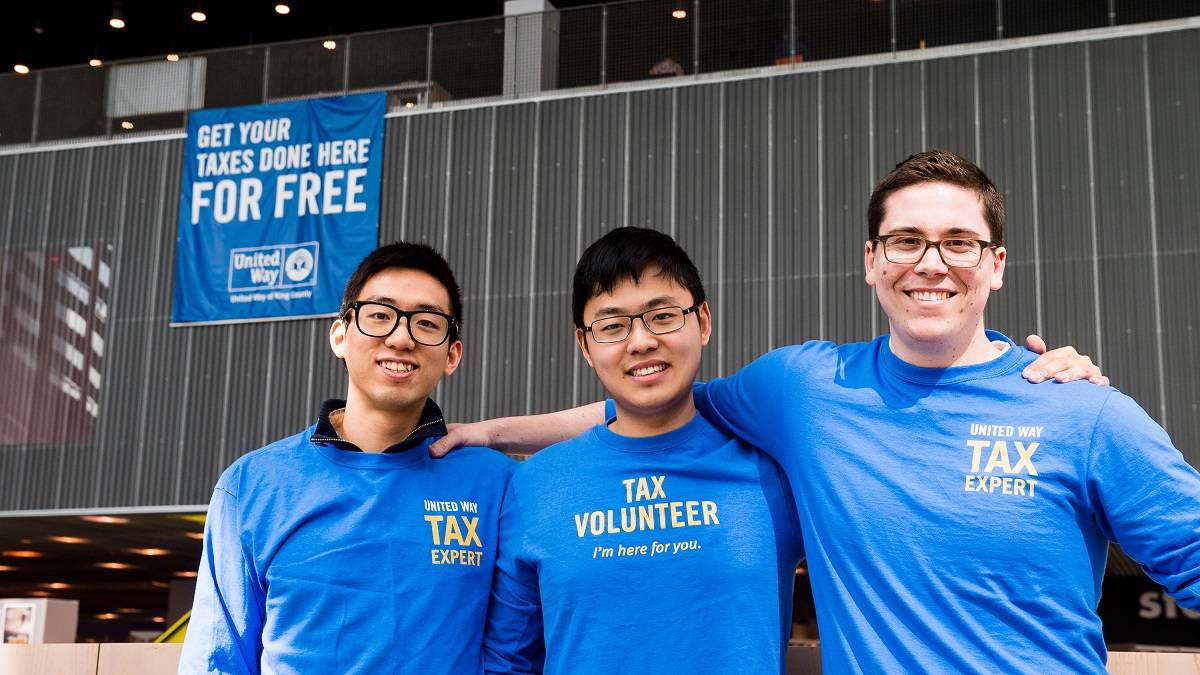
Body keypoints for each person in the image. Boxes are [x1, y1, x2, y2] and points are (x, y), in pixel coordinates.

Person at [430, 151, 1200, 672]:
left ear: (995, 265)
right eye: (905, 240)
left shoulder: (1080, 411)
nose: (931, 262)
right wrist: (492, 432)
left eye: (959, 242)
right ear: (871, 260)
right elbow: (653, 396)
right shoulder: (804, 390)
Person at [180, 242, 515, 674]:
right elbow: (218, 661)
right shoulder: (251, 485)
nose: (401, 337)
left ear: (452, 354)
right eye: (380, 315)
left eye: (427, 323)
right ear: (340, 335)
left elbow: (512, 655)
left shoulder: (495, 485)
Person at [483, 228, 803, 673]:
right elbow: (507, 660)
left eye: (663, 316)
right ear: (585, 347)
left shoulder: (775, 471)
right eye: (612, 326)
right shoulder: (536, 483)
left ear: (703, 322)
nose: (640, 342)